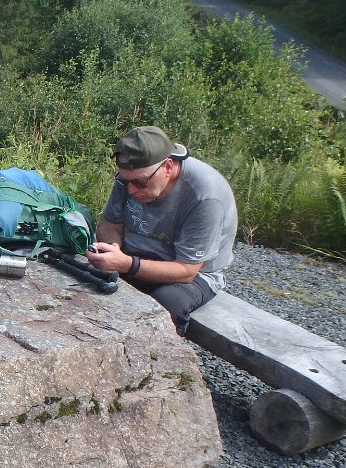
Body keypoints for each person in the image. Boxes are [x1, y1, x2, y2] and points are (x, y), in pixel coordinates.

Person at [84, 126, 237, 334]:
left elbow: (186, 270)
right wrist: (113, 250)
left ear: (168, 166)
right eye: (126, 181)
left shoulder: (205, 196)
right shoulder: (132, 177)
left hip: (190, 275)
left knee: (165, 308)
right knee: (86, 281)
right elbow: (110, 225)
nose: (131, 189)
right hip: (132, 257)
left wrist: (126, 264)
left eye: (140, 182)